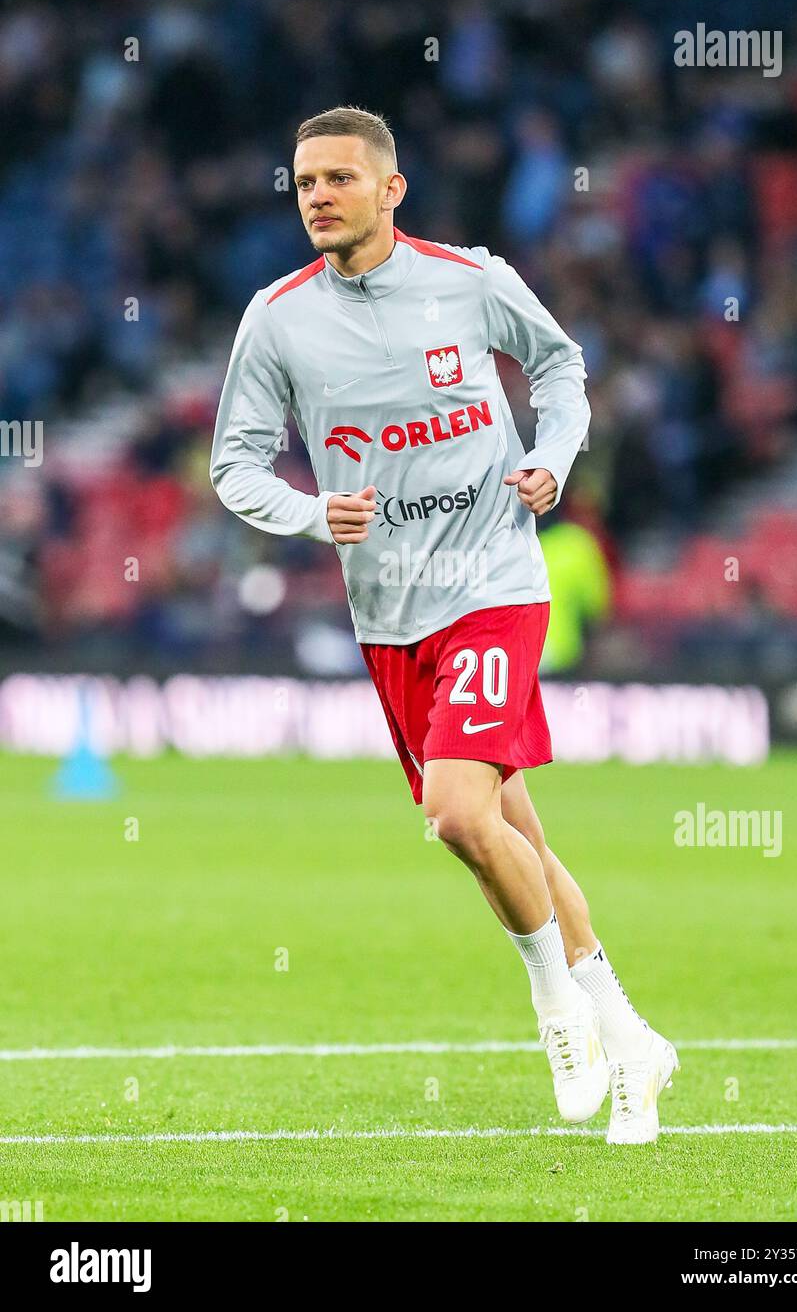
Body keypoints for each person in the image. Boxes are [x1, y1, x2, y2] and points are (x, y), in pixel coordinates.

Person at [210, 106, 678, 1142]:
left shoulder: (470, 279)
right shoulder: (276, 319)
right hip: (387, 611)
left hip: (493, 582)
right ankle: (630, 1033)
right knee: (510, 833)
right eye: (302, 184)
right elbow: (234, 463)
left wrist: (552, 456)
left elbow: (559, 370)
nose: (317, 197)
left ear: (391, 188)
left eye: (337, 178)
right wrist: (305, 511)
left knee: (459, 815)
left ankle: (557, 1010)